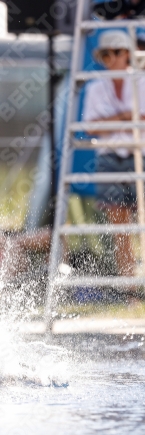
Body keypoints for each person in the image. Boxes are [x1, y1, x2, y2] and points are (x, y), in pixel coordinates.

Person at [83, 29, 145, 276]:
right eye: (106, 54)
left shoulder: (141, 81)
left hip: (138, 155)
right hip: (111, 158)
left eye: (116, 52)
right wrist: (126, 118)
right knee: (121, 229)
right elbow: (91, 128)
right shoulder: (95, 87)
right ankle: (130, 288)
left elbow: (98, 126)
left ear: (128, 54)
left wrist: (112, 122)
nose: (112, 58)